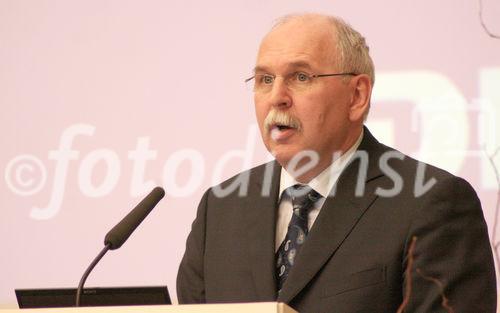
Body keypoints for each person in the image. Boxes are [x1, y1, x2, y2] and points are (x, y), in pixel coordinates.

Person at [176, 13, 496, 313]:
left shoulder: (431, 203)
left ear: (357, 96)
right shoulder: (220, 209)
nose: (277, 97)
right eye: (264, 79)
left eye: (300, 76)